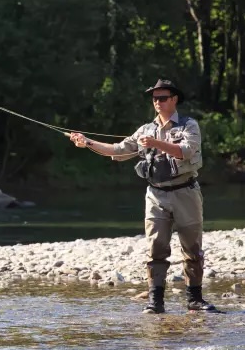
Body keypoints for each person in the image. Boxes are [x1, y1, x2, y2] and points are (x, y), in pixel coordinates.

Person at [68, 79, 217, 314]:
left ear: (174, 99)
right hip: (156, 195)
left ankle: (194, 300)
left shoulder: (189, 125)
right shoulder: (145, 130)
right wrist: (87, 143)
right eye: (154, 98)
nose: (157, 102)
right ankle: (155, 301)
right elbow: (117, 151)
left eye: (163, 98)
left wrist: (157, 143)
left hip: (185, 192)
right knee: (156, 247)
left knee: (192, 248)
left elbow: (186, 151)